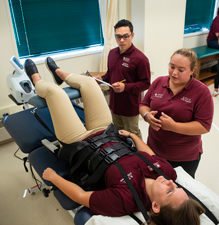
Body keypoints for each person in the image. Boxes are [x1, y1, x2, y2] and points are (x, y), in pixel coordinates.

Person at [24, 57, 204, 224]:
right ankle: (60, 74)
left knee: (56, 94)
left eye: (170, 191)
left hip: (79, 144)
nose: (172, 182)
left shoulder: (125, 200)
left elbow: (81, 196)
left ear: (155, 207)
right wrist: (133, 136)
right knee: (89, 82)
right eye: (177, 187)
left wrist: (54, 178)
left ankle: (36, 79)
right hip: (107, 133)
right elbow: (149, 154)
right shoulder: (167, 175)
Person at [139, 48, 214, 178]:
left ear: (192, 70)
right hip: (154, 150)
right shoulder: (159, 82)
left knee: (179, 192)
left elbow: (204, 126)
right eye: (172, 66)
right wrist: (146, 116)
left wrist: (174, 126)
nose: (174, 73)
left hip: (183, 157)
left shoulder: (201, 92)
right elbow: (143, 104)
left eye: (181, 70)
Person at [94, 19, 151, 140]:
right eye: (118, 37)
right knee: (118, 132)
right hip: (115, 103)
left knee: (133, 133)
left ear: (132, 35)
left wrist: (126, 87)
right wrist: (102, 78)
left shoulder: (141, 59)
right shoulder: (112, 53)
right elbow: (111, 74)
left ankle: (140, 155)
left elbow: (146, 84)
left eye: (125, 36)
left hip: (130, 105)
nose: (121, 40)